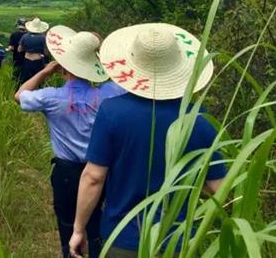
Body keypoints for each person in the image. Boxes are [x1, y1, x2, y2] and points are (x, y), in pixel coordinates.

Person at [69, 23, 226, 258]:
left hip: (122, 239)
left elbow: (93, 177)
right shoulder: (199, 119)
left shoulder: (111, 112)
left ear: (133, 65)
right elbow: (218, 189)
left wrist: (78, 229)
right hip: (179, 243)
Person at [15, 26, 123, 258]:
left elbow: (20, 95)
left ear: (63, 67)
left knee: (67, 223)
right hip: (99, 169)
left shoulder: (51, 97)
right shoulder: (108, 94)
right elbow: (123, 82)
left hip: (66, 172)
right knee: (95, 221)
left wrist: (45, 72)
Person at [17, 17, 50, 86]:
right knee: (38, 82)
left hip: (26, 61)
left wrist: (27, 48)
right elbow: (46, 52)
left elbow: (19, 49)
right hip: (38, 62)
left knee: (25, 82)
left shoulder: (24, 36)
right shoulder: (43, 38)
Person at [7, 19, 27, 83]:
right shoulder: (28, 35)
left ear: (18, 26)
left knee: (16, 76)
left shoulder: (14, 34)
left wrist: (9, 49)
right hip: (26, 59)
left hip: (16, 58)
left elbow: (10, 48)